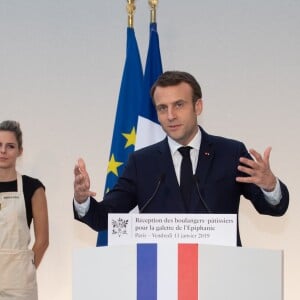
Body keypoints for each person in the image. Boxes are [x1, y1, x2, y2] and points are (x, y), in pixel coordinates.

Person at [73, 70, 289, 246]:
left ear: (198, 106)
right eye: (162, 108)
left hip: (220, 276)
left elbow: (273, 208)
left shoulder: (230, 153)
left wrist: (270, 187)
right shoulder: (142, 162)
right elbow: (105, 217)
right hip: (160, 279)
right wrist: (83, 201)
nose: (170, 116)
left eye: (179, 105)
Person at [0, 120, 49, 300]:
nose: (3, 151)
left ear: (20, 151)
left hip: (20, 286)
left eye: (10, 146)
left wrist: (25, 269)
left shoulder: (33, 188)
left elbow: (43, 240)